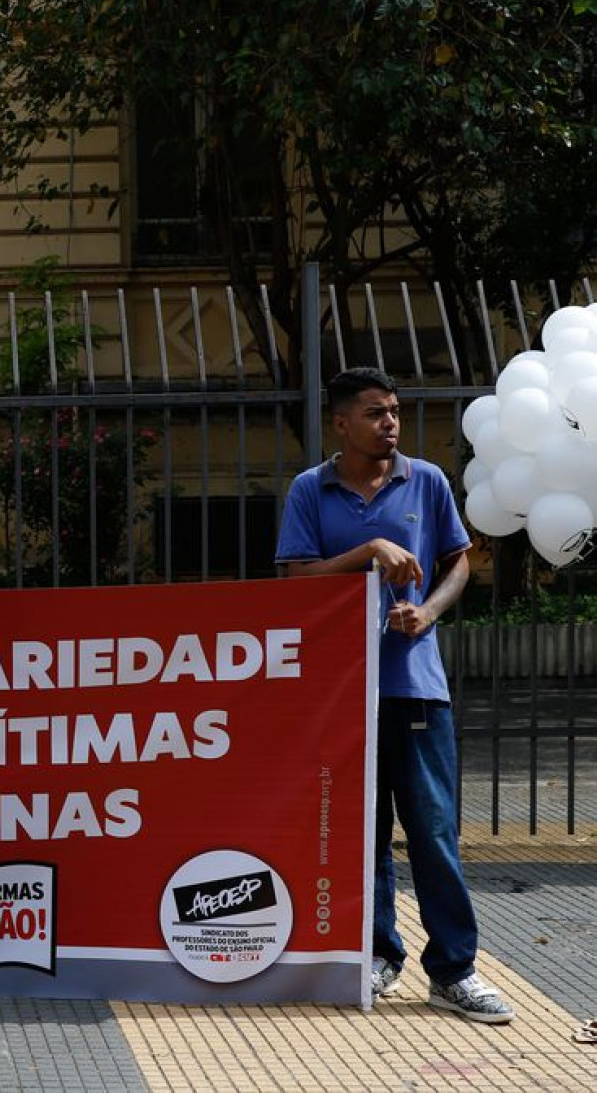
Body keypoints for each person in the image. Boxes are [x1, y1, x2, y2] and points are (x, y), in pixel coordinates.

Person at [275, 366, 513, 1024]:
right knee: (362, 835)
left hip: (414, 688)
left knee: (433, 831)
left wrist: (429, 613)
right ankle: (379, 957)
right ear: (340, 422)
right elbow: (296, 582)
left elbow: (457, 560)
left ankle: (454, 971)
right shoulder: (308, 490)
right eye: (375, 412)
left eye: (394, 411)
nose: (389, 423)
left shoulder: (425, 480)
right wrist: (368, 549)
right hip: (339, 695)